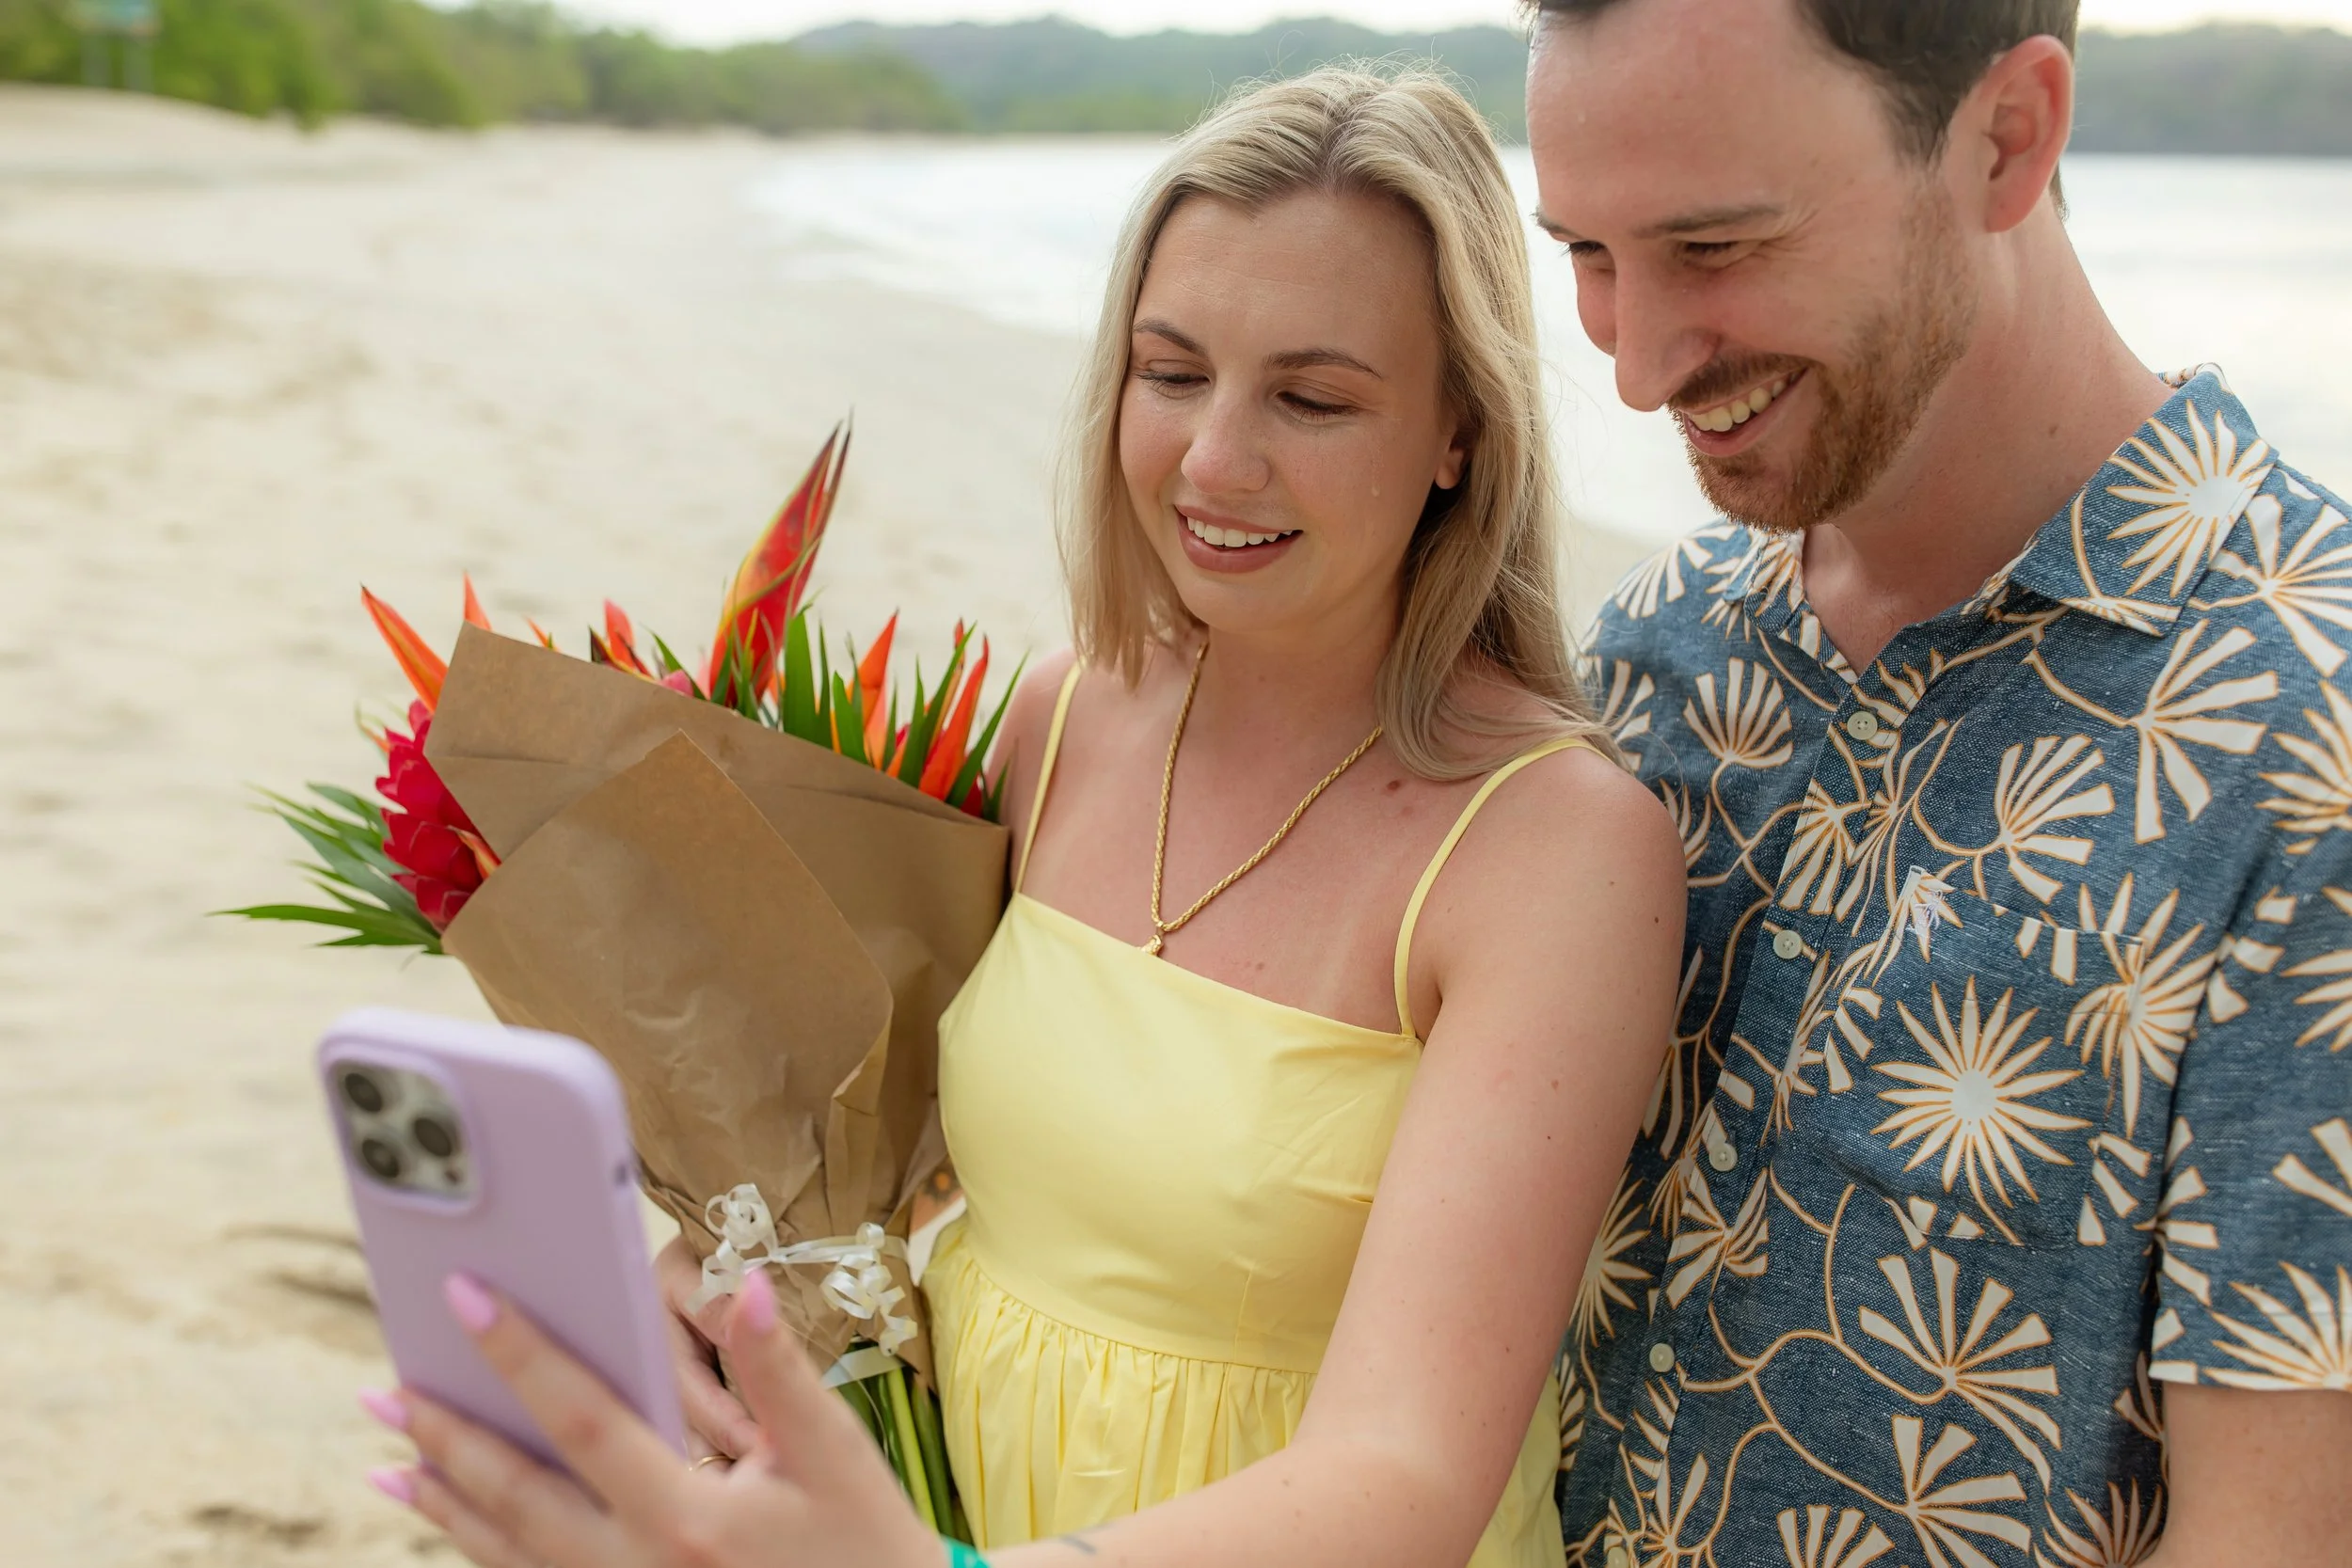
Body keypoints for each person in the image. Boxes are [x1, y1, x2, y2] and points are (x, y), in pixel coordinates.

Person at [357, 67, 1687, 1568]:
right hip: (959, 1508)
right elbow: (910, 1158)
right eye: (1171, 372)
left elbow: (1409, 1471)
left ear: (1463, 431)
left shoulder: (1555, 849)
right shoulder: (1067, 719)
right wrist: (725, 1268)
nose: (1213, 460)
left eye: (1312, 398)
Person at [1523, 1, 2352, 1563]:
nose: (1635, 367)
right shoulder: (1653, 653)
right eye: (1584, 252)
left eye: (1712, 247)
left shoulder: (2309, 733)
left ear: (2009, 137)